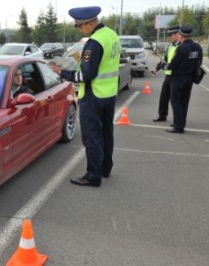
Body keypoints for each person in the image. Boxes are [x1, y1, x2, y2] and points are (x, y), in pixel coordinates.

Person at [50, 6, 120, 187]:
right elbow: (105, 65)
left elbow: (86, 76)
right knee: (106, 133)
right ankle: (105, 168)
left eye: (80, 26)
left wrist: (62, 72)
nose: (80, 30)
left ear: (90, 23)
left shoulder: (94, 43)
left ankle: (93, 176)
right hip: (109, 93)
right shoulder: (111, 35)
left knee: (91, 136)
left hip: (93, 95)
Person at [166, 25, 203, 133]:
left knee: (176, 101)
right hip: (190, 78)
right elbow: (199, 62)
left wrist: (166, 66)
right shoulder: (197, 47)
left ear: (180, 35)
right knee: (184, 101)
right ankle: (182, 122)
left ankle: (178, 126)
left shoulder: (181, 48)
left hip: (178, 78)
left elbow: (172, 65)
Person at [151, 26, 180, 122]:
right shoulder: (171, 46)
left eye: (170, 35)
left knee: (175, 100)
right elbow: (165, 60)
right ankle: (162, 115)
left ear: (177, 34)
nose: (169, 37)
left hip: (177, 76)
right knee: (164, 97)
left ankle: (177, 120)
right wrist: (156, 69)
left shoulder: (181, 46)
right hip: (168, 76)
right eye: (168, 35)